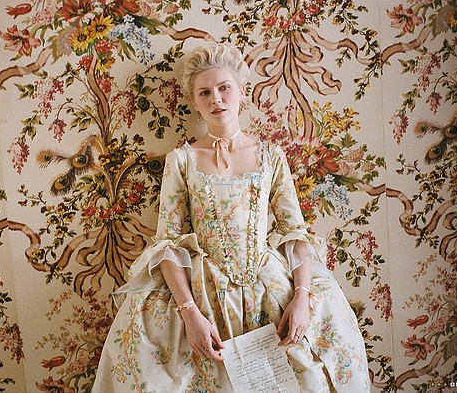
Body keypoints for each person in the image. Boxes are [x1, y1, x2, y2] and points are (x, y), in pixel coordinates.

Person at [92, 42, 370, 392]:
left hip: (270, 284)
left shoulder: (271, 155)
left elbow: (294, 231)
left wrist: (301, 296)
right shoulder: (182, 160)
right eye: (205, 92)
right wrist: (190, 313)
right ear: (195, 102)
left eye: (224, 88)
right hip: (204, 290)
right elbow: (168, 244)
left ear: (241, 92)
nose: (216, 99)